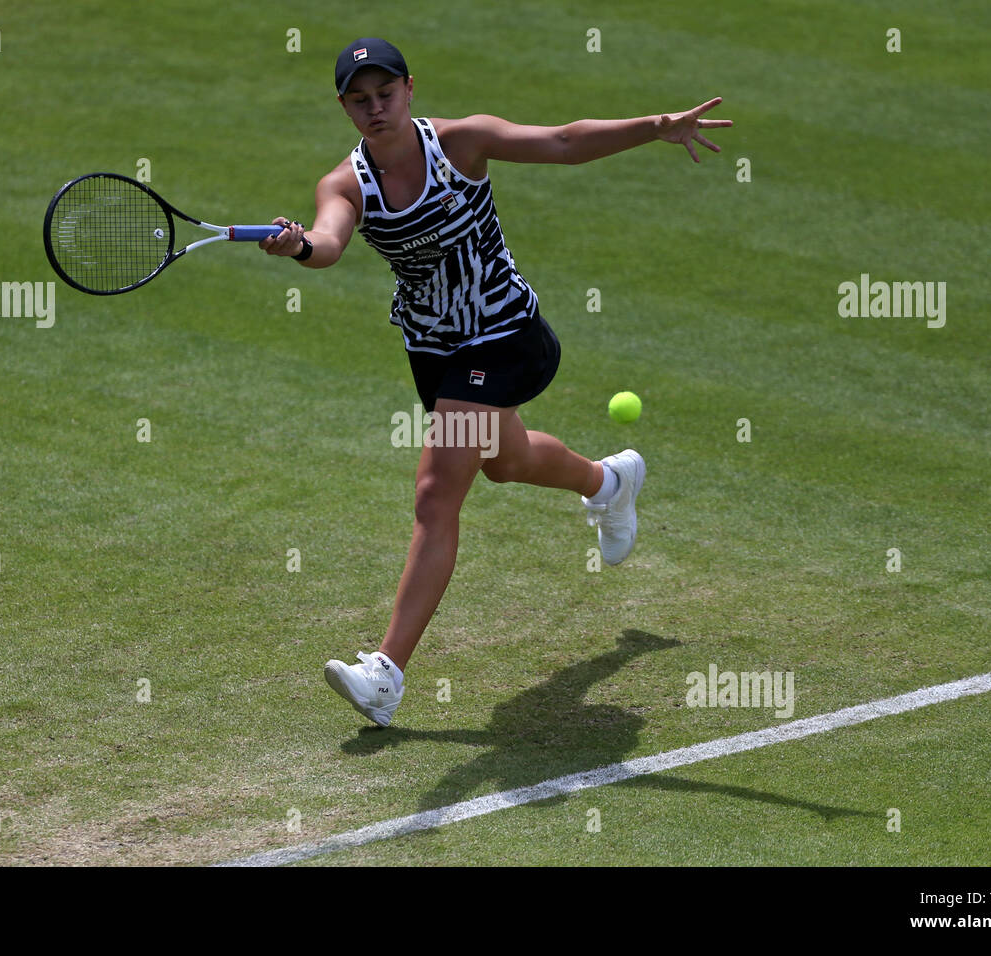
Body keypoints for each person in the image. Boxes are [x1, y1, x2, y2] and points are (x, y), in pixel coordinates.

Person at [259, 38, 731, 727]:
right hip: (436, 350)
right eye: (360, 100)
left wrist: (655, 126)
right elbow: (328, 243)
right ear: (345, 107)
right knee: (505, 464)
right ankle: (609, 483)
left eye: (385, 93)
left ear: (409, 90)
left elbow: (565, 143)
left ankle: (385, 674)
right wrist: (297, 245)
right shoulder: (344, 184)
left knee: (435, 488)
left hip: (506, 336)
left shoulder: (463, 144)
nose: (375, 108)